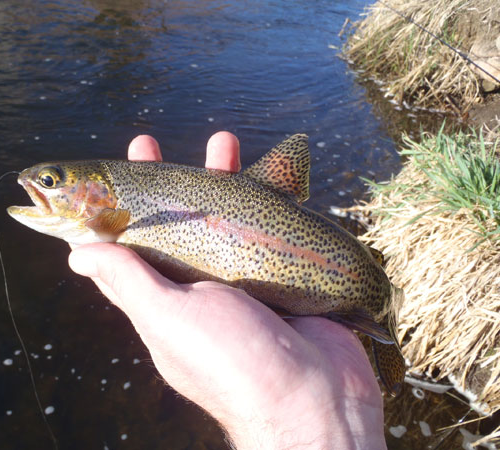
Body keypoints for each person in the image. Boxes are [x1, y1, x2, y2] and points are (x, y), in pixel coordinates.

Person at [68, 132, 387, 450]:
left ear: (97, 190)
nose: (35, 184)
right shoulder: (109, 220)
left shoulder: (104, 224)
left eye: (51, 181)